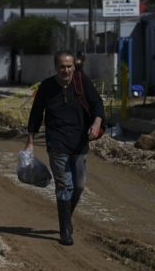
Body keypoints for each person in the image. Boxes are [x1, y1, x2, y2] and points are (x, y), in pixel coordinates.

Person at [25, 50, 105, 246]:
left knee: (78, 185)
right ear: (56, 67)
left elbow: (98, 104)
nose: (66, 70)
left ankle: (67, 220)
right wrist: (30, 143)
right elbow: (36, 114)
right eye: (62, 66)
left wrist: (96, 124)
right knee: (64, 185)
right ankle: (64, 232)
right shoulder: (46, 87)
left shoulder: (82, 81)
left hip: (80, 141)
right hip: (57, 142)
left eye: (70, 66)